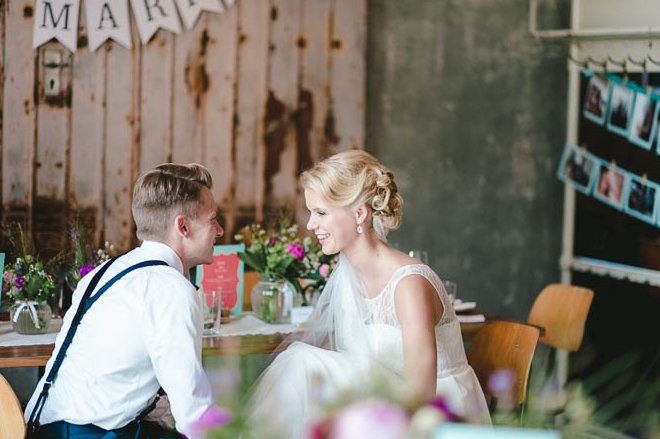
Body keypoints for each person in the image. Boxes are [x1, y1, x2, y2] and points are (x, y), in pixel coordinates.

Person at [249, 150, 489, 438]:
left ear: (359, 214)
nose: (311, 225)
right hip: (383, 401)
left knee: (301, 364)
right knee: (299, 364)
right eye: (311, 212)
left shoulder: (408, 284)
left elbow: (422, 398)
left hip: (439, 414)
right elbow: (355, 364)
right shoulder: (347, 271)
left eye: (321, 213)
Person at [25, 163, 224, 438]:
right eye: (212, 219)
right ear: (183, 226)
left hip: (41, 428)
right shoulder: (171, 289)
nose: (220, 230)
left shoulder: (106, 271)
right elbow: (194, 416)